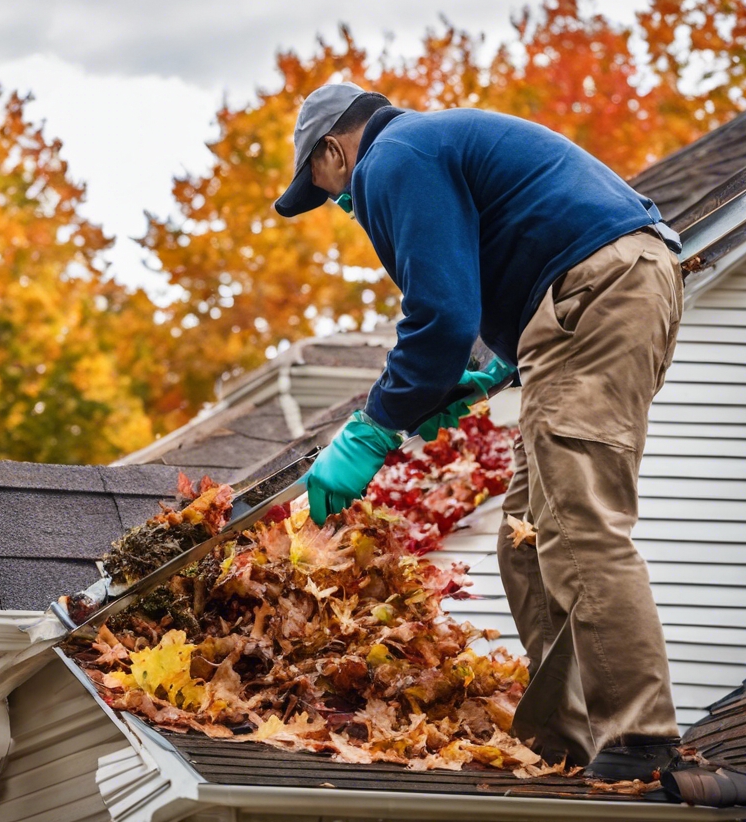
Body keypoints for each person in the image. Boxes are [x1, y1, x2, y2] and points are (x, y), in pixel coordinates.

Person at [275, 82, 685, 781]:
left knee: (577, 525)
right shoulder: (429, 144)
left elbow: (439, 315)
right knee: (526, 542)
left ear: (334, 149)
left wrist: (374, 428)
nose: (342, 207)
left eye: (325, 189)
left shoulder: (390, 158)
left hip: (599, 294)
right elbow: (504, 264)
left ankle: (642, 740)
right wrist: (490, 374)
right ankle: (568, 741)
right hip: (599, 293)